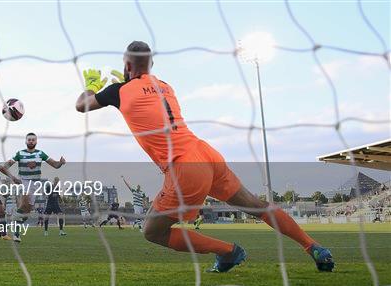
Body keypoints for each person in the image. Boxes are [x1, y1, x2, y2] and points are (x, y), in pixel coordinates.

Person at [74, 41, 334, 273]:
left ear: (127, 65)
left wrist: (93, 86)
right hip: (206, 153)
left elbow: (81, 105)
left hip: (185, 167)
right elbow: (144, 95)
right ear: (152, 64)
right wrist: (129, 78)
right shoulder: (166, 86)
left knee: (152, 232)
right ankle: (314, 247)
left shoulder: (118, 91)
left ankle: (228, 251)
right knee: (257, 206)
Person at [3, 133, 66, 243]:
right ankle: (16, 232)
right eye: (29, 140)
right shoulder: (20, 153)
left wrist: (60, 163)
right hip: (24, 181)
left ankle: (14, 226)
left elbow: (55, 165)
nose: (31, 141)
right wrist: (13, 178)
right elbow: (5, 167)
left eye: (33, 140)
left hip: (35, 185)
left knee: (26, 212)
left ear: (36, 142)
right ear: (26, 141)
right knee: (24, 204)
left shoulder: (40, 154)